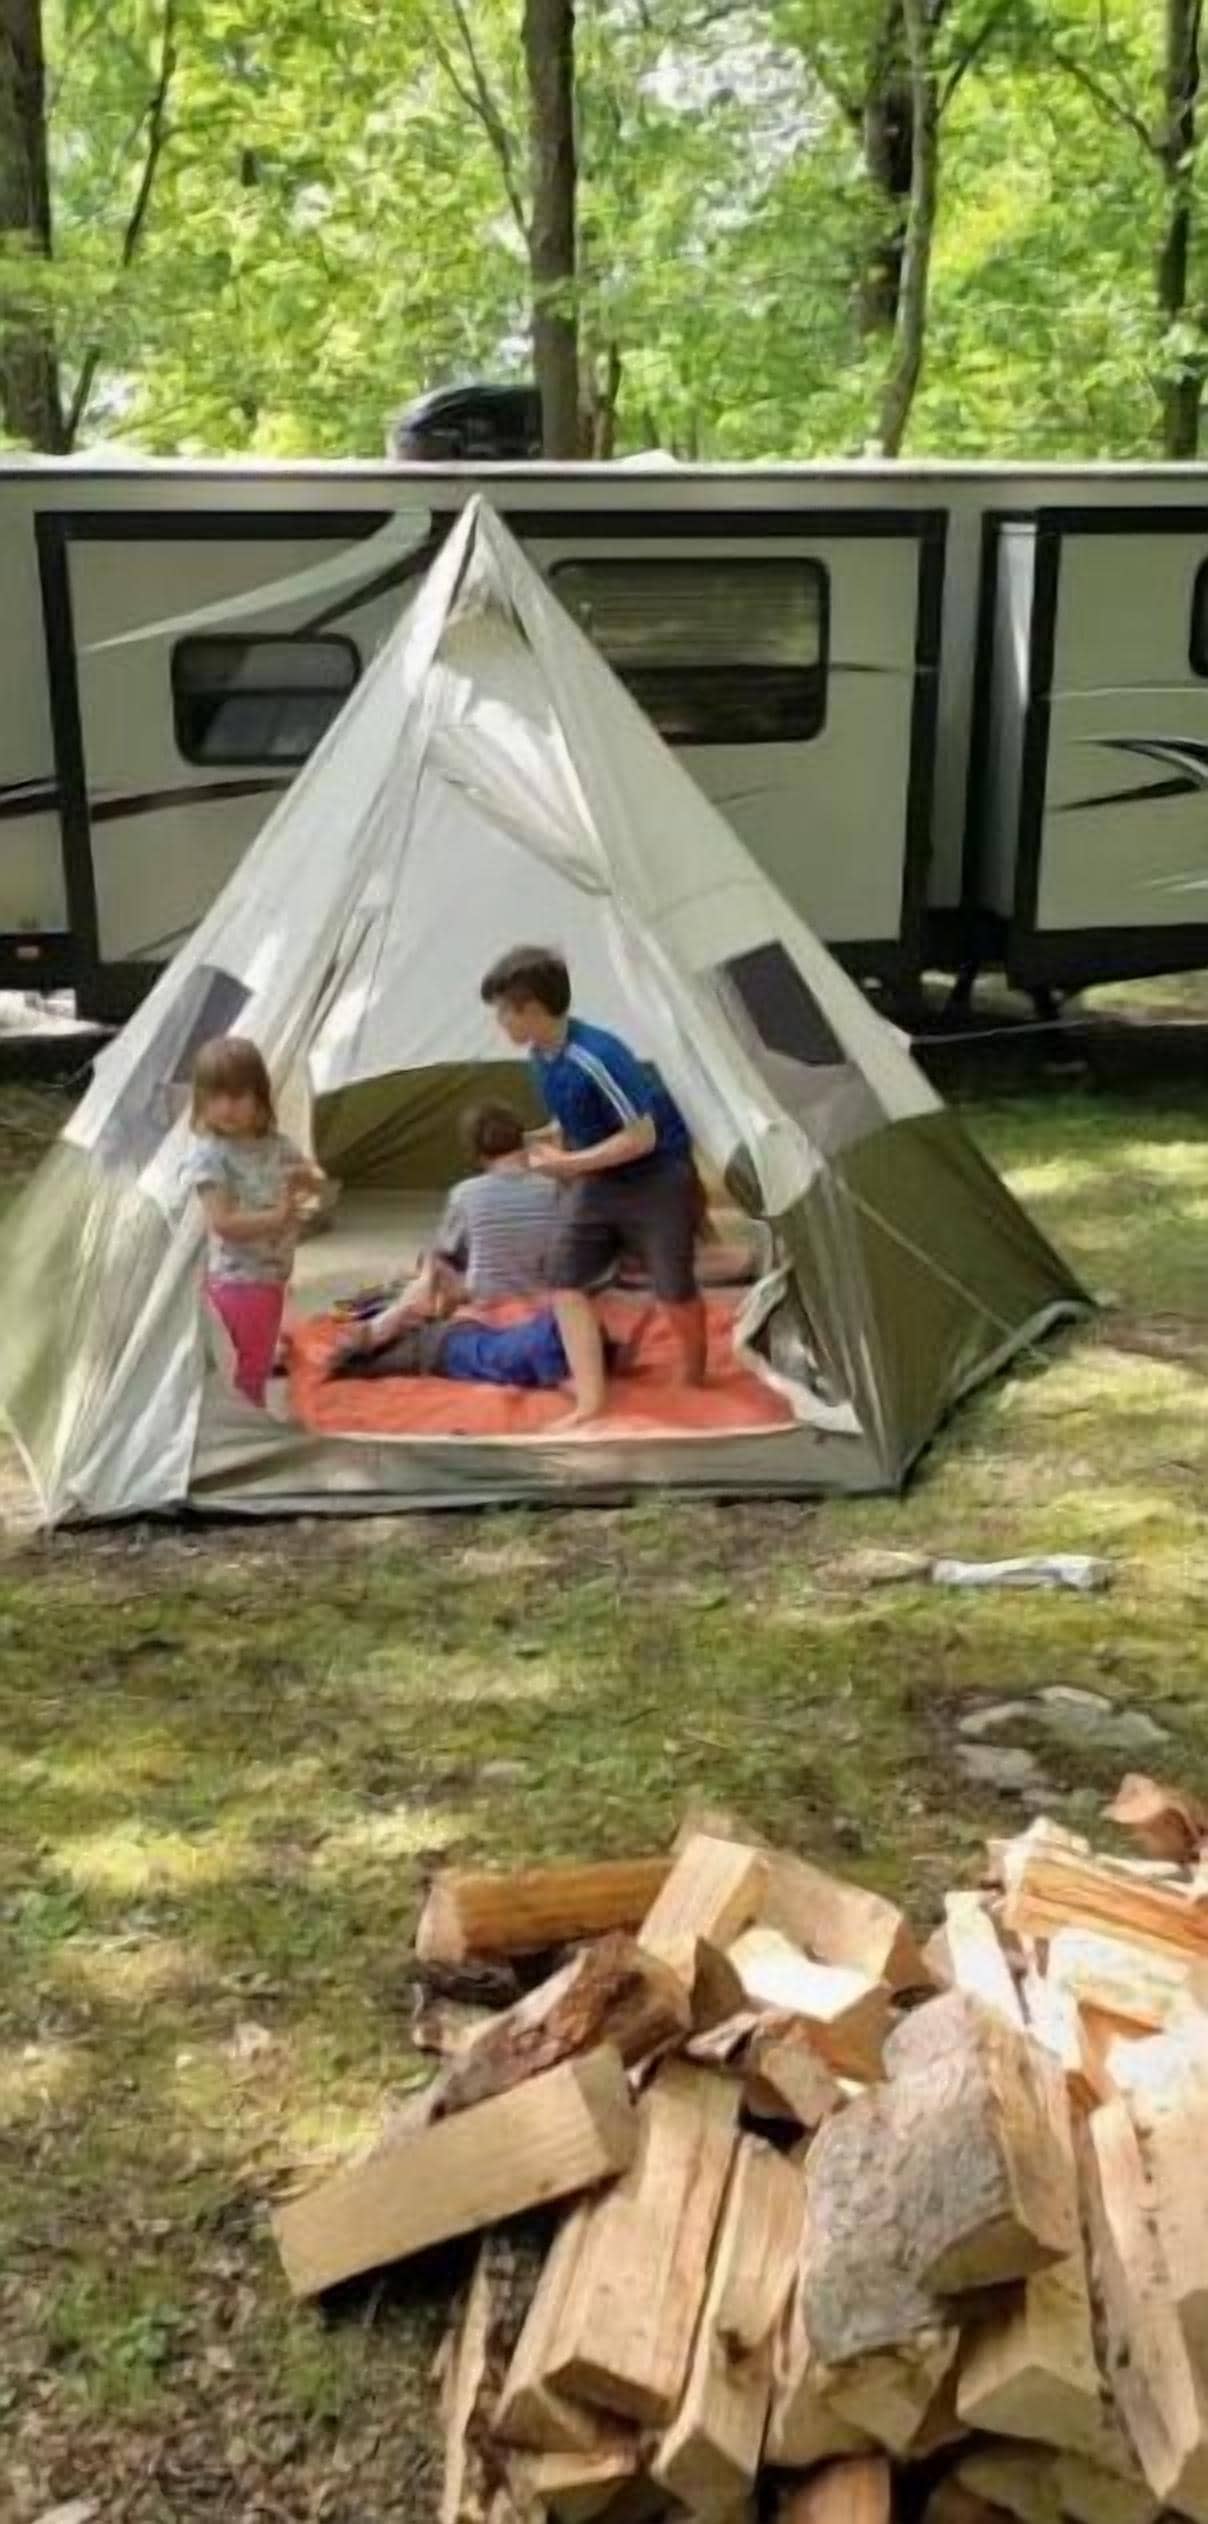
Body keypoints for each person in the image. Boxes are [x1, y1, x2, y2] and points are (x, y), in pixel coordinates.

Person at [479, 946, 706, 1427]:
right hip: (598, 1176)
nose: (499, 1022)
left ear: (533, 1010)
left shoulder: (598, 1056)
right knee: (565, 1279)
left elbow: (642, 1136)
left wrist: (569, 1164)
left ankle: (694, 1373)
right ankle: (590, 1399)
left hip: (655, 1174)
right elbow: (570, 1118)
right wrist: (535, 1142)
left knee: (672, 1287)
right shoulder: (541, 1056)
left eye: (503, 1011)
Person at [336, 1100, 561, 1362]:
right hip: (546, 1298)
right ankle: (395, 1317)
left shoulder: (466, 1194)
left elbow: (447, 1250)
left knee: (433, 1261)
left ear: (476, 1150)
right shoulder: (554, 1187)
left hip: (488, 1301)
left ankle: (387, 1324)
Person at [184, 1035, 325, 1407]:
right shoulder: (210, 1157)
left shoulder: (276, 1146)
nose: (227, 1106)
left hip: (273, 1276)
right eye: (216, 1096)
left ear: (259, 1096)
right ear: (201, 1100)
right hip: (237, 1280)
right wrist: (277, 1217)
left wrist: (306, 1180)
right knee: (248, 1368)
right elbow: (224, 1223)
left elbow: (313, 1182)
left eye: (238, 1095)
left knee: (258, 1357)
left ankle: (250, 1411)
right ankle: (248, 1429)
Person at [328, 1305, 593, 1392]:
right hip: (445, 1350)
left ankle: (377, 1328)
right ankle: (360, 1343)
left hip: (462, 1335)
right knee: (364, 1365)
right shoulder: (546, 1352)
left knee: (400, 1336)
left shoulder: (549, 1325)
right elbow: (572, 1387)